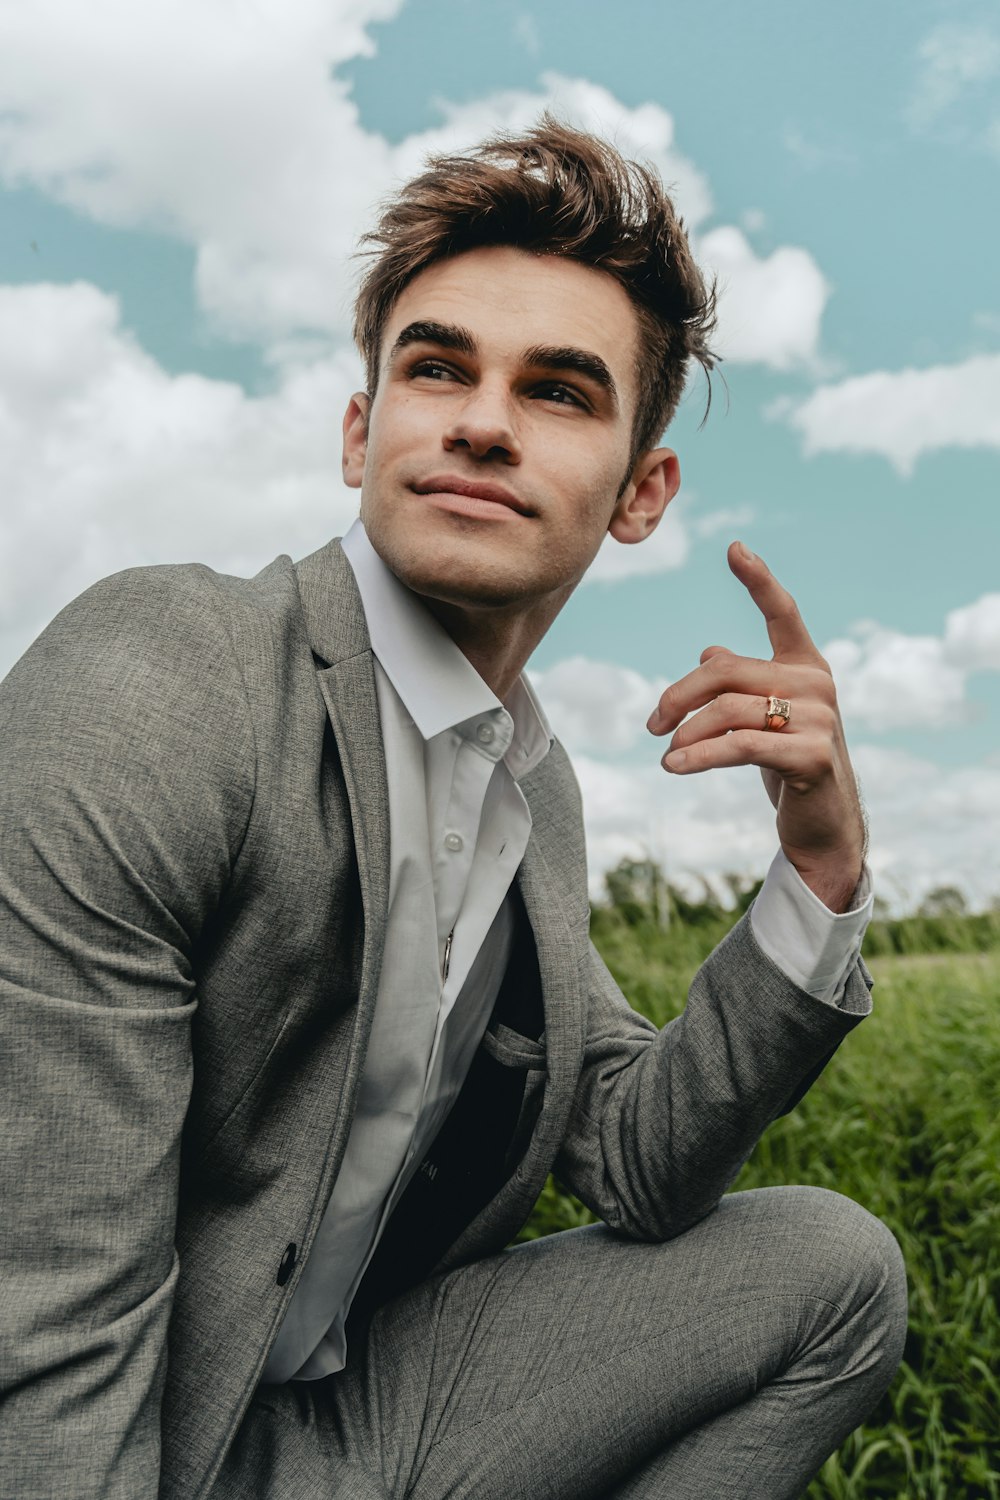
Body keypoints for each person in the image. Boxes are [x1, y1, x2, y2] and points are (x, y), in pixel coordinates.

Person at [0, 120, 906, 1500]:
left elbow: (639, 1157)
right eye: (437, 368)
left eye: (558, 391)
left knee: (833, 1273)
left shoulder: (527, 783)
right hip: (132, 1426)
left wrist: (821, 864)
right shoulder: (165, 676)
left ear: (639, 493)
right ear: (364, 428)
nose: (481, 419)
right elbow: (41, 1300)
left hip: (336, 1425)